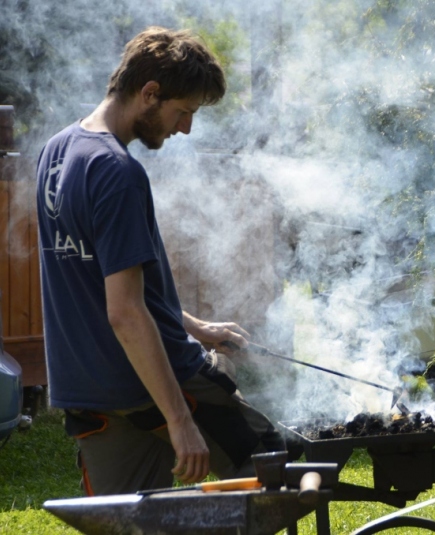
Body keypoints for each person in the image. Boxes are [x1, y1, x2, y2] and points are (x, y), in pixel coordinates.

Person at [36, 26, 286, 496]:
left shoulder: (56, 151)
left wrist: (195, 325)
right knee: (279, 474)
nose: (185, 128)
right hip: (158, 379)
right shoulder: (117, 172)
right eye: (183, 111)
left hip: (89, 391)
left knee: (134, 524)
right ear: (150, 93)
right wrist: (179, 420)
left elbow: (107, 284)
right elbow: (125, 311)